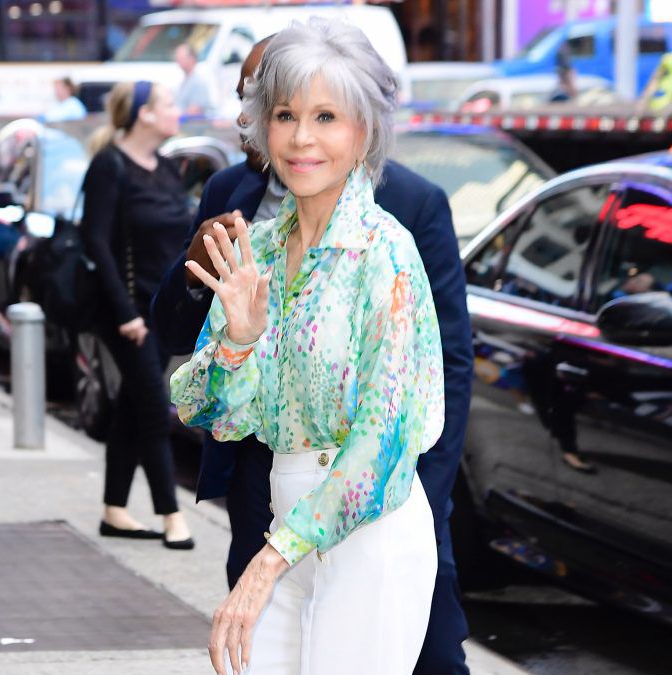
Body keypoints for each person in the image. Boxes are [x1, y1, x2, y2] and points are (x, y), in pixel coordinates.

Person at [153, 33, 474, 675]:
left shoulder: (386, 253)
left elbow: (383, 438)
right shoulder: (263, 248)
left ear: (364, 131)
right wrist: (238, 344)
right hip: (282, 512)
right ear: (261, 126)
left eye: (325, 117)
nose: (302, 138)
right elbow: (203, 408)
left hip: (367, 530)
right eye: (286, 115)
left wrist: (268, 561)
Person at [80, 80, 194, 549]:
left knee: (132, 404)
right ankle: (171, 515)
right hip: (122, 313)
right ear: (144, 114)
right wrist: (127, 314)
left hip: (159, 309)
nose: (176, 112)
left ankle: (114, 510)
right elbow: (95, 243)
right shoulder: (110, 166)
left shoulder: (168, 169)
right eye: (168, 104)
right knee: (151, 407)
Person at [173, 44, 215, 116]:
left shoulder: (198, 82)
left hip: (192, 125)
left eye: (181, 58)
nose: (178, 60)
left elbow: (195, 110)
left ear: (192, 59)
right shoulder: (185, 81)